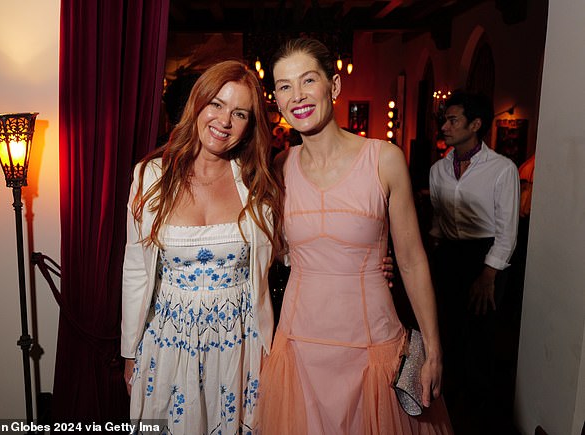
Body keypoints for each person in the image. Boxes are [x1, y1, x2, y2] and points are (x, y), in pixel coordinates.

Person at [258, 37, 452, 434]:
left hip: (371, 342)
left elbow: (413, 260)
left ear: (334, 85)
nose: (298, 96)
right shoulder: (279, 167)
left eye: (308, 80)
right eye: (284, 86)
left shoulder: (384, 159)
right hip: (299, 344)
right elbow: (276, 249)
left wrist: (433, 349)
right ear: (275, 99)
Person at [121, 60, 284, 434]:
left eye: (239, 112)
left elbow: (292, 250)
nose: (224, 120)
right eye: (216, 104)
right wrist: (129, 350)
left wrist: (366, 258)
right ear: (197, 104)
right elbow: (135, 269)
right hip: (168, 342)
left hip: (239, 344)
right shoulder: (150, 176)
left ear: (249, 125)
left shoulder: (257, 184)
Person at [429, 91, 520, 433]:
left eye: (453, 120)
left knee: (481, 333)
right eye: (445, 120)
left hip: (486, 258)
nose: (445, 126)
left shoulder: (501, 169)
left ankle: (479, 412)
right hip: (450, 255)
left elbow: (507, 230)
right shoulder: (438, 169)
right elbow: (438, 221)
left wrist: (488, 274)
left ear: (476, 124)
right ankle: (448, 402)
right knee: (448, 327)